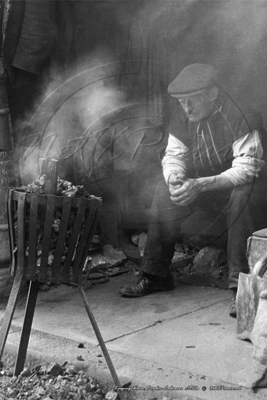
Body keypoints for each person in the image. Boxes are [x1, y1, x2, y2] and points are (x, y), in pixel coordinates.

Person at [119, 63, 267, 318]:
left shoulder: (240, 115)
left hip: (256, 195)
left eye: (191, 100)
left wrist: (199, 184)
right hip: (214, 189)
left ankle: (240, 289)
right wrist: (174, 177)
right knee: (164, 190)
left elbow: (247, 169)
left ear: (212, 94)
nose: (185, 108)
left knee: (244, 193)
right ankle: (156, 274)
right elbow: (174, 155)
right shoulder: (183, 116)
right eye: (181, 101)